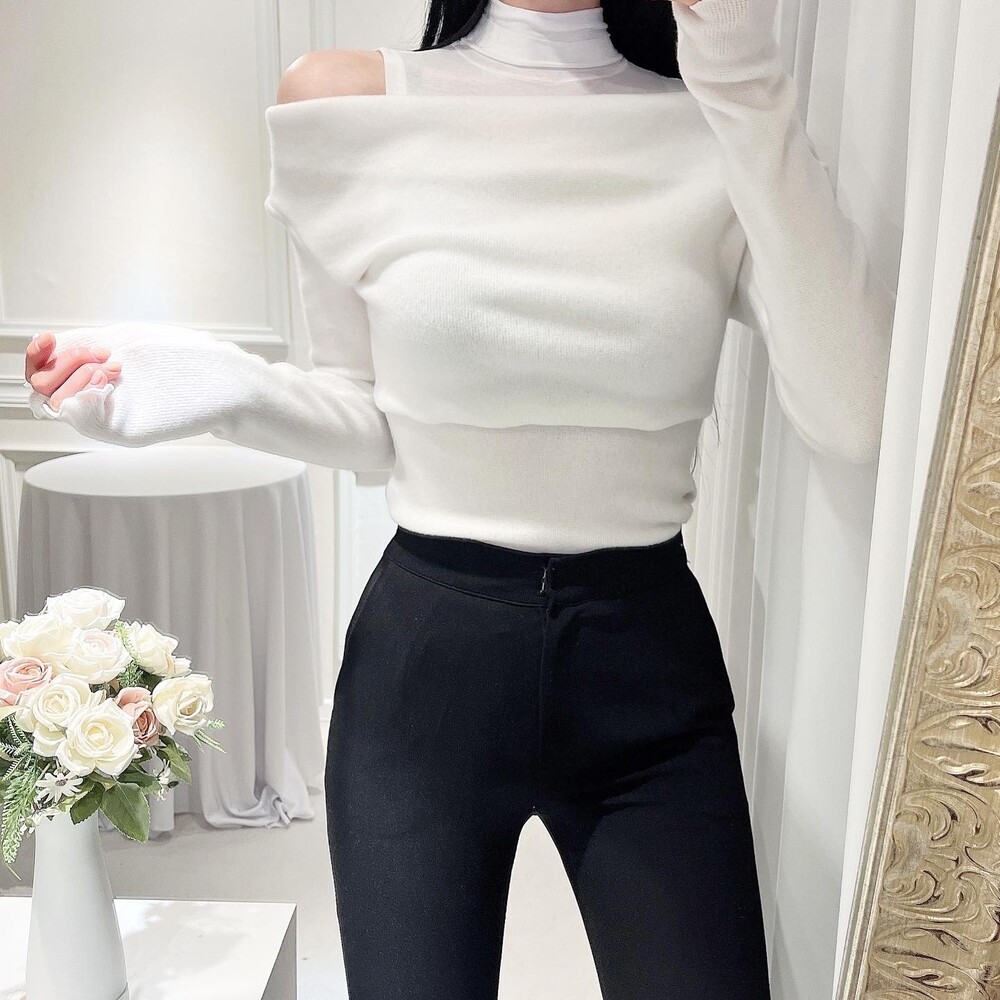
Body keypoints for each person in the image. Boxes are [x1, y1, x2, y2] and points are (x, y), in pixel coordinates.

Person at [23, 0, 895, 995]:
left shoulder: (713, 121)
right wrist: (200, 382)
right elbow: (365, 416)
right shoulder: (346, 103)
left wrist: (740, 72)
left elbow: (854, 412)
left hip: (648, 671)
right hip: (425, 673)